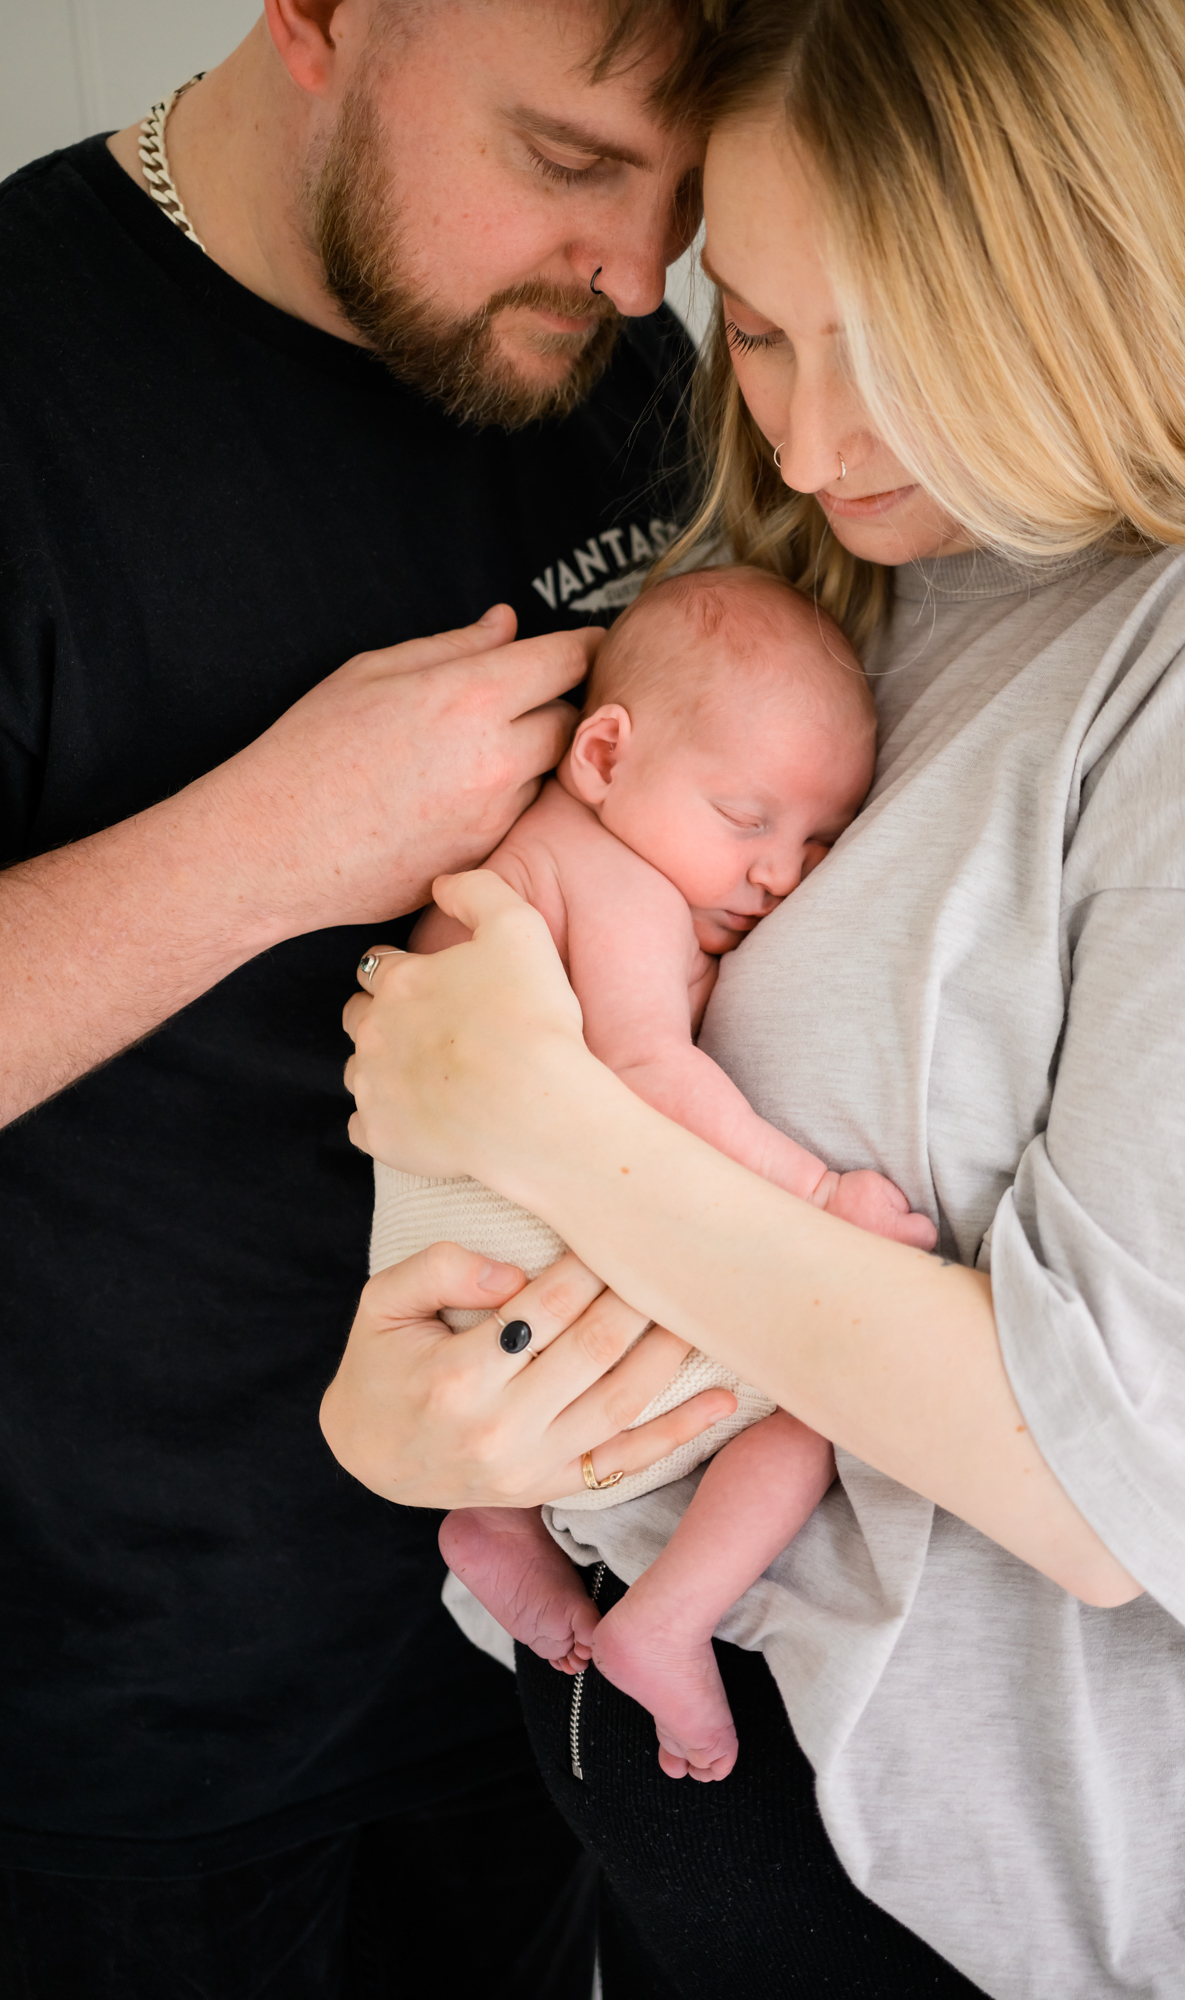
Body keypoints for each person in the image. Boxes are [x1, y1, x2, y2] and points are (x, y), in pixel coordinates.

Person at [329, 0, 1185, 1995]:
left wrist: (539, 1119)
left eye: (881, 349)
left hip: (999, 1909)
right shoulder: (844, 576)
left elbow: (1119, 1483)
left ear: (1094, 277)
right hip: (672, 1778)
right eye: (764, 330)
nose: (800, 436)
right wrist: (405, 1427)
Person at [0, 0, 717, 1992]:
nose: (638, 272)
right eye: (569, 162)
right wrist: (271, 841)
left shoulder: (620, 364)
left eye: (681, 195)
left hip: (541, 1665)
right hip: (139, 1739)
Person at [374, 564, 935, 1784]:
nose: (781, 871)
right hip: (504, 1230)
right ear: (605, 755)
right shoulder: (612, 878)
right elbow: (644, 1070)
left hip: (444, 1255)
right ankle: (669, 1614)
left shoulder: (536, 854)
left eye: (817, 839)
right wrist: (819, 1197)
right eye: (746, 818)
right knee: (826, 1400)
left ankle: (496, 1515)